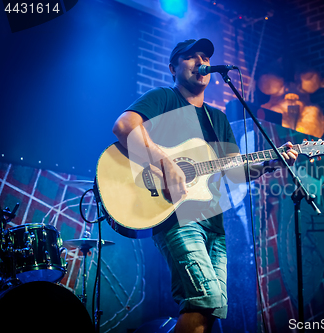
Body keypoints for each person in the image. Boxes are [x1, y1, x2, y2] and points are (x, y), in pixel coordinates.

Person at [112, 38, 297, 333]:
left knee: (209, 313)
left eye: (205, 57)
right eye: (191, 57)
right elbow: (123, 126)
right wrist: (163, 161)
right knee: (205, 299)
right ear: (173, 67)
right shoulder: (164, 98)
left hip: (214, 225)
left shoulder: (217, 118)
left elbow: (236, 172)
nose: (201, 62)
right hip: (176, 215)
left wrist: (273, 162)